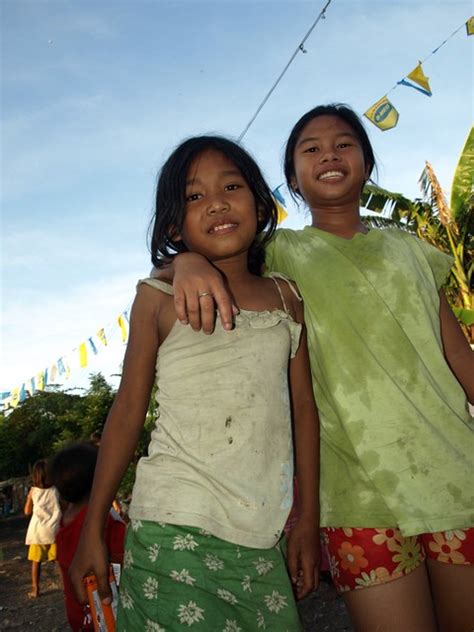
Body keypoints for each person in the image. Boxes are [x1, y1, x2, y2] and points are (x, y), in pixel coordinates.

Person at [164, 105, 474, 632]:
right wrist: (186, 262)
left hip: (457, 476)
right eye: (311, 148)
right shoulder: (281, 253)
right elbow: (212, 240)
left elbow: (458, 354)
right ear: (290, 181)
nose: (329, 153)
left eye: (344, 144)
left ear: (367, 164)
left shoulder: (413, 250)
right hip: (354, 495)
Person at [69, 136, 320, 631]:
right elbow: (126, 411)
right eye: (194, 196)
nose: (218, 203)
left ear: (260, 202)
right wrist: (92, 527)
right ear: (173, 225)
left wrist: (308, 521)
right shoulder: (157, 298)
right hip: (170, 522)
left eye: (232, 185)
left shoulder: (286, 297)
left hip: (261, 531)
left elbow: (305, 411)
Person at [50, 442, 125, 631]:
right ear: (99, 480)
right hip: (110, 614)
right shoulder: (103, 523)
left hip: (79, 613)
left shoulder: (63, 525)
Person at [24, 458, 61, 598]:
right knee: (58, 561)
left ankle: (36, 589)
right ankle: (66, 588)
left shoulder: (33, 491)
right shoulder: (56, 490)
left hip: (38, 532)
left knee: (36, 562)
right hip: (54, 531)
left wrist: (29, 499)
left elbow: (27, 511)